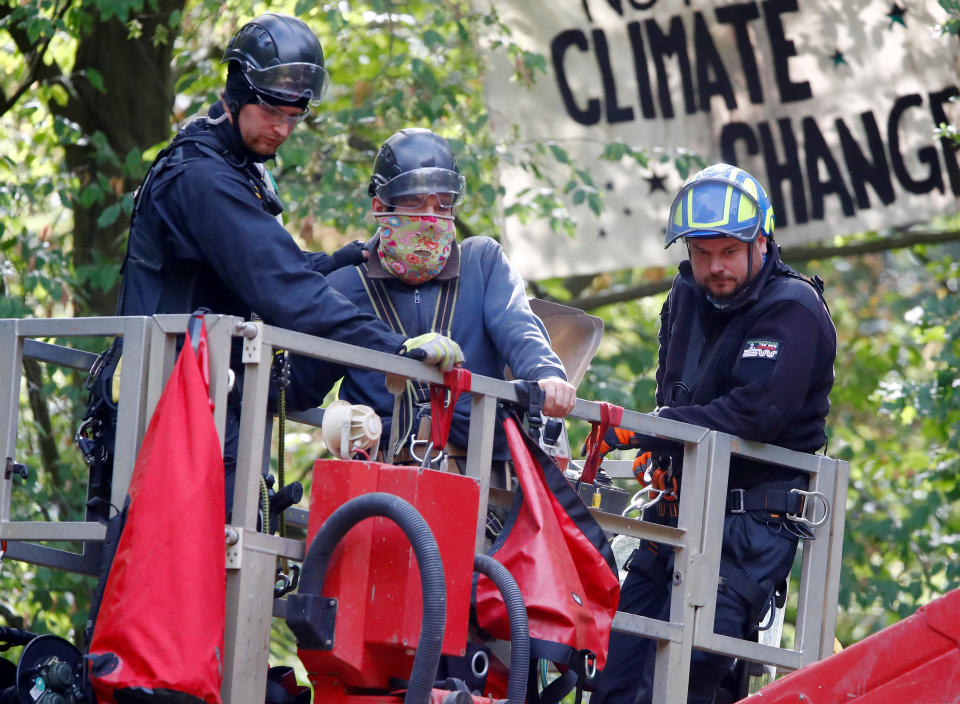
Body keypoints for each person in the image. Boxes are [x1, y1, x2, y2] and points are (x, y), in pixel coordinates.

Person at [114, 14, 462, 510]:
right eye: (273, 112)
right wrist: (395, 348)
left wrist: (338, 260)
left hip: (207, 401)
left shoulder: (233, 167)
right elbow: (284, 290)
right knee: (175, 570)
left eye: (295, 117)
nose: (283, 128)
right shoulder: (203, 178)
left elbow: (253, 268)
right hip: (171, 409)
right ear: (237, 94)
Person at [590, 163, 837, 704]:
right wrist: (652, 440)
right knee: (617, 674)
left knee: (687, 679)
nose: (715, 267)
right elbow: (672, 398)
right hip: (675, 516)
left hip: (751, 527)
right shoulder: (685, 300)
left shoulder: (793, 309)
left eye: (728, 251)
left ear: (762, 242)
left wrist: (649, 433)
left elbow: (756, 414)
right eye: (702, 254)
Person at [287, 127, 576, 464]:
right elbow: (297, 388)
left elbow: (518, 325)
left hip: (480, 474)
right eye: (413, 202)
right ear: (380, 206)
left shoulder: (481, 261)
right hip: (379, 474)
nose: (429, 217)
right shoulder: (346, 284)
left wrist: (547, 373)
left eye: (442, 205)